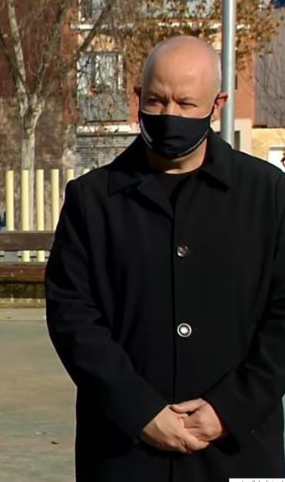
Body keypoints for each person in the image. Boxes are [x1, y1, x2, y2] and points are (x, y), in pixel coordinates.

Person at [46, 35, 285, 481]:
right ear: (137, 98)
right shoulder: (92, 201)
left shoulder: (269, 196)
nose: (169, 115)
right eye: (156, 101)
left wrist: (228, 408)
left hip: (239, 449)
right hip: (123, 451)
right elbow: (72, 318)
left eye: (185, 103)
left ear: (218, 104)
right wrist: (138, 410)